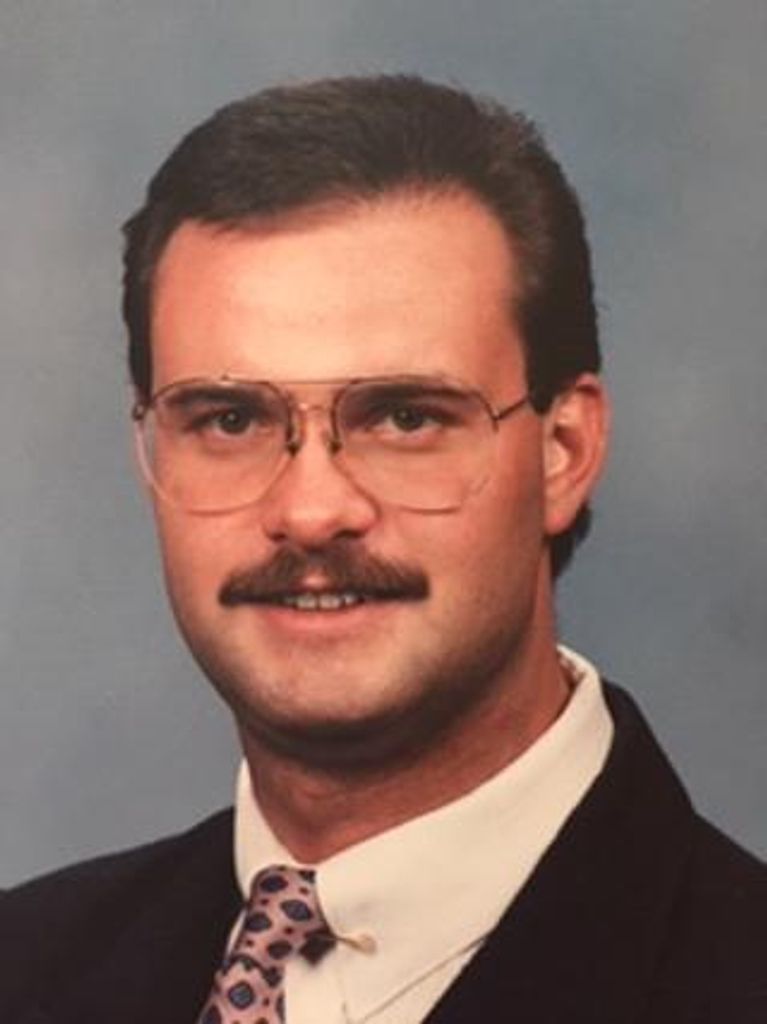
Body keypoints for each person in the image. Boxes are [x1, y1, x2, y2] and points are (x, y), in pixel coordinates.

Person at [1, 74, 765, 1024]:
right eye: (229, 419)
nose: (311, 511)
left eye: (404, 417)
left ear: (563, 452)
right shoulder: (26, 969)